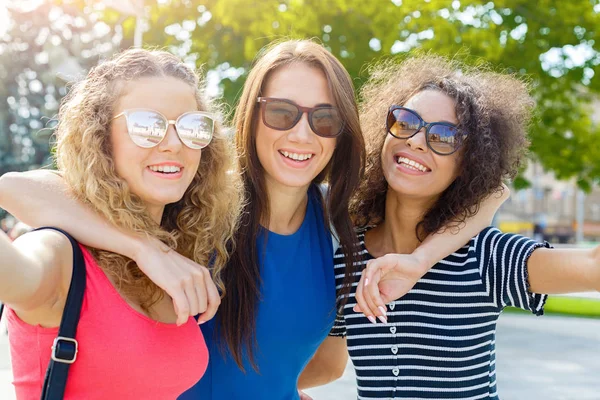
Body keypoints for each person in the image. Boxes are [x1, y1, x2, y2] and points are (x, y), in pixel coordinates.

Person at [0, 41, 506, 400]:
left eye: (324, 119)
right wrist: (146, 248)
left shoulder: (337, 222)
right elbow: (19, 188)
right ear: (251, 116)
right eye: (282, 113)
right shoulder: (196, 201)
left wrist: (420, 259)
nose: (302, 134)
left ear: (341, 133)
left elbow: (494, 190)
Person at [328, 54, 600, 400]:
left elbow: (593, 267)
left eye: (443, 137)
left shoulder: (484, 256)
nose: (415, 140)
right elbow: (325, 365)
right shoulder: (345, 261)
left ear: (467, 165)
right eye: (406, 121)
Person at [0, 48, 240, 399]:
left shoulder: (178, 258)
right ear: (101, 138)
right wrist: (140, 246)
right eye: (147, 125)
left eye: (191, 126)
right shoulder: (61, 258)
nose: (173, 144)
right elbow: (10, 187)